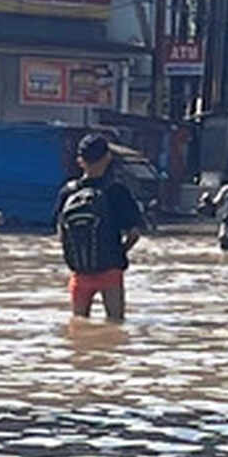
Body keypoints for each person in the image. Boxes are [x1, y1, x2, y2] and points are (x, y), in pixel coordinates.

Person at [55, 134, 144, 321]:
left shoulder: (68, 192)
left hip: (80, 272)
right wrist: (120, 251)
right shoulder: (116, 190)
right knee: (115, 323)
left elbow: (60, 232)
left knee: (78, 325)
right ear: (108, 157)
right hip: (110, 270)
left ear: (80, 160)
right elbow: (134, 233)